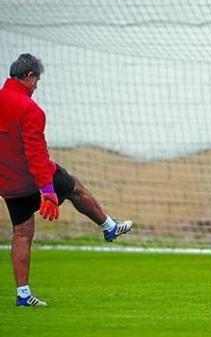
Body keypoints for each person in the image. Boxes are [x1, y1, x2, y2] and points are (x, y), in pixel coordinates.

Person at [0, 53, 133, 307]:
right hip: (31, 175)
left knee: (22, 233)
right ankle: (108, 227)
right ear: (29, 76)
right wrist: (47, 191)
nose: (37, 86)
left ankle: (23, 294)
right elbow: (35, 153)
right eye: (36, 80)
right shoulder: (30, 109)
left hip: (8, 181)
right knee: (75, 187)